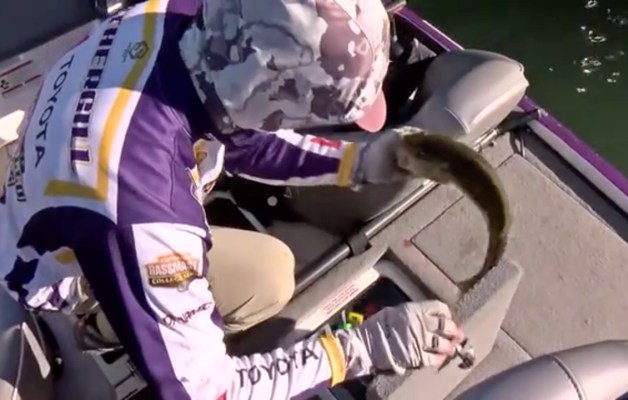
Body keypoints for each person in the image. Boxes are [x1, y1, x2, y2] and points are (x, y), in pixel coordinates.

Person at [0, 0, 465, 399]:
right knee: (268, 279)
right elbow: (206, 391)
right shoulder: (147, 214)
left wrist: (358, 162)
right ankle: (97, 325)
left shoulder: (171, 15)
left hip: (57, 200)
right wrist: (360, 350)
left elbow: (243, 136)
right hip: (53, 274)